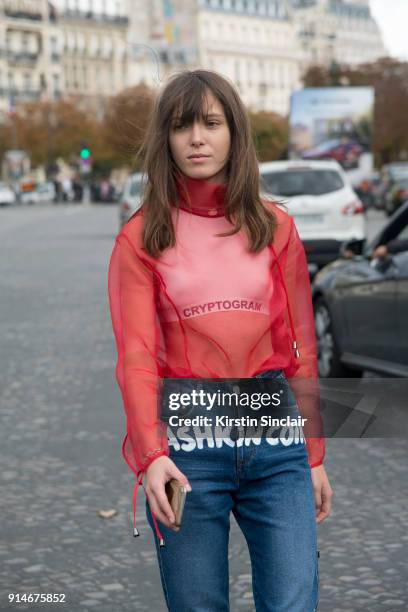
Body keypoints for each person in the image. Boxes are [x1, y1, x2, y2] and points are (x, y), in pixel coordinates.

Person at [107, 69, 333, 612]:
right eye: (182, 126)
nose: (197, 138)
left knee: (292, 603)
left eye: (211, 123)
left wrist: (314, 453)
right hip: (187, 447)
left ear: (235, 132)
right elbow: (136, 357)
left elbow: (301, 346)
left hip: (275, 441)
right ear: (165, 139)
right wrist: (151, 455)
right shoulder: (141, 238)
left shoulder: (277, 228)